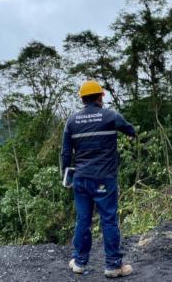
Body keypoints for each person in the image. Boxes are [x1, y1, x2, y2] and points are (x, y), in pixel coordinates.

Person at [61, 80, 136, 278]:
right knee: (109, 220)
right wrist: (130, 135)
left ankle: (79, 263)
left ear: (83, 99)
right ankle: (113, 266)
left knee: (82, 220)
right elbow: (130, 130)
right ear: (100, 96)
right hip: (104, 178)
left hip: (81, 178)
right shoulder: (111, 115)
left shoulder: (72, 120)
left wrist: (65, 176)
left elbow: (66, 152)